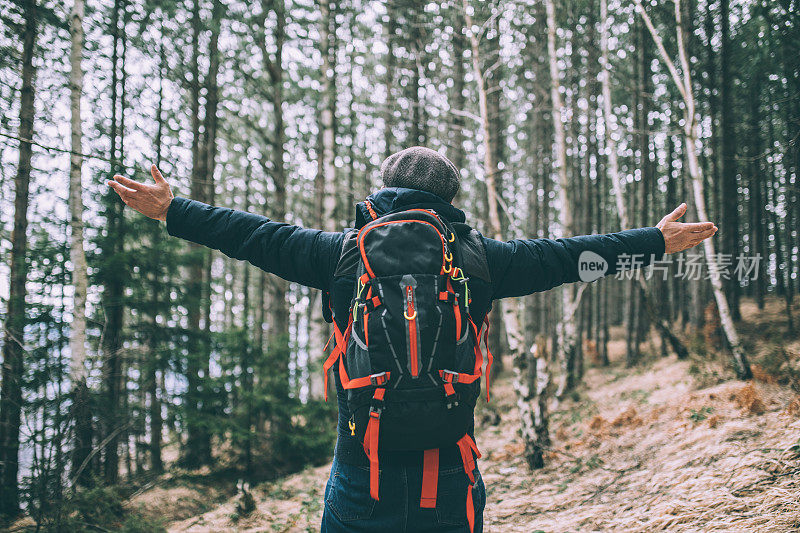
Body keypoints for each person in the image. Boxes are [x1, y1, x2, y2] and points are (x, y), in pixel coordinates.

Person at [108, 146, 717, 533]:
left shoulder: (340, 255)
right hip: (446, 466)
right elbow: (569, 257)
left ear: (382, 192)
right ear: (449, 200)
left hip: (360, 466)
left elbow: (255, 235)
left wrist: (174, 210)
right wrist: (653, 241)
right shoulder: (484, 260)